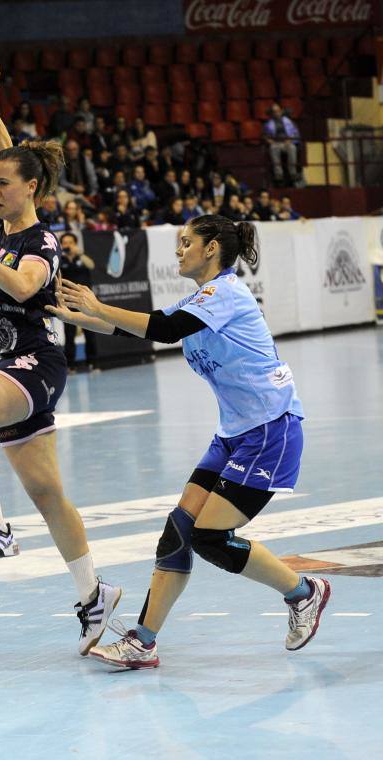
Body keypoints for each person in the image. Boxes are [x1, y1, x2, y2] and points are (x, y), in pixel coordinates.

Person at [48, 214, 329, 670]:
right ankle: (143, 641)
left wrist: (98, 305)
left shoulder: (225, 293)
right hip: (234, 434)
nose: (179, 250)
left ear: (212, 247)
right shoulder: (200, 299)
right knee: (178, 531)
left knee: (210, 536)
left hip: (271, 430)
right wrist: (77, 315)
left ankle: (305, 593)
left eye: (186, 243)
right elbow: (135, 329)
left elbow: (163, 328)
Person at [0, 59, 121, 656]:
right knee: (48, 493)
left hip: (33, 364)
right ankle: (94, 595)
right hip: (11, 364)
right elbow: (10, 159)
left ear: (31, 189)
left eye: (4, 184)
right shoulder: (3, 225)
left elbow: (21, 288)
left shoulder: (39, 240)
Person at [58, 233, 96, 372]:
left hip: (86, 301)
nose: (68, 245)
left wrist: (80, 254)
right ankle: (71, 366)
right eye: (65, 243)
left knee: (90, 332)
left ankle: (92, 363)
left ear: (75, 243)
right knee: (69, 334)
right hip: (69, 301)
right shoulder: (60, 260)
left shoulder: (81, 258)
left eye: (70, 242)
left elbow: (92, 265)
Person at [264, 103, 301, 186]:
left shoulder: (288, 121)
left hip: (287, 142)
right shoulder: (268, 123)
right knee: (273, 148)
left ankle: (293, 173)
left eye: (278, 111)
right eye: (274, 111)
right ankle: (278, 174)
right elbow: (265, 136)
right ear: (272, 113)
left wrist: (290, 139)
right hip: (276, 143)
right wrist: (269, 140)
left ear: (281, 111)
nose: (276, 113)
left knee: (292, 148)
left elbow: (295, 133)